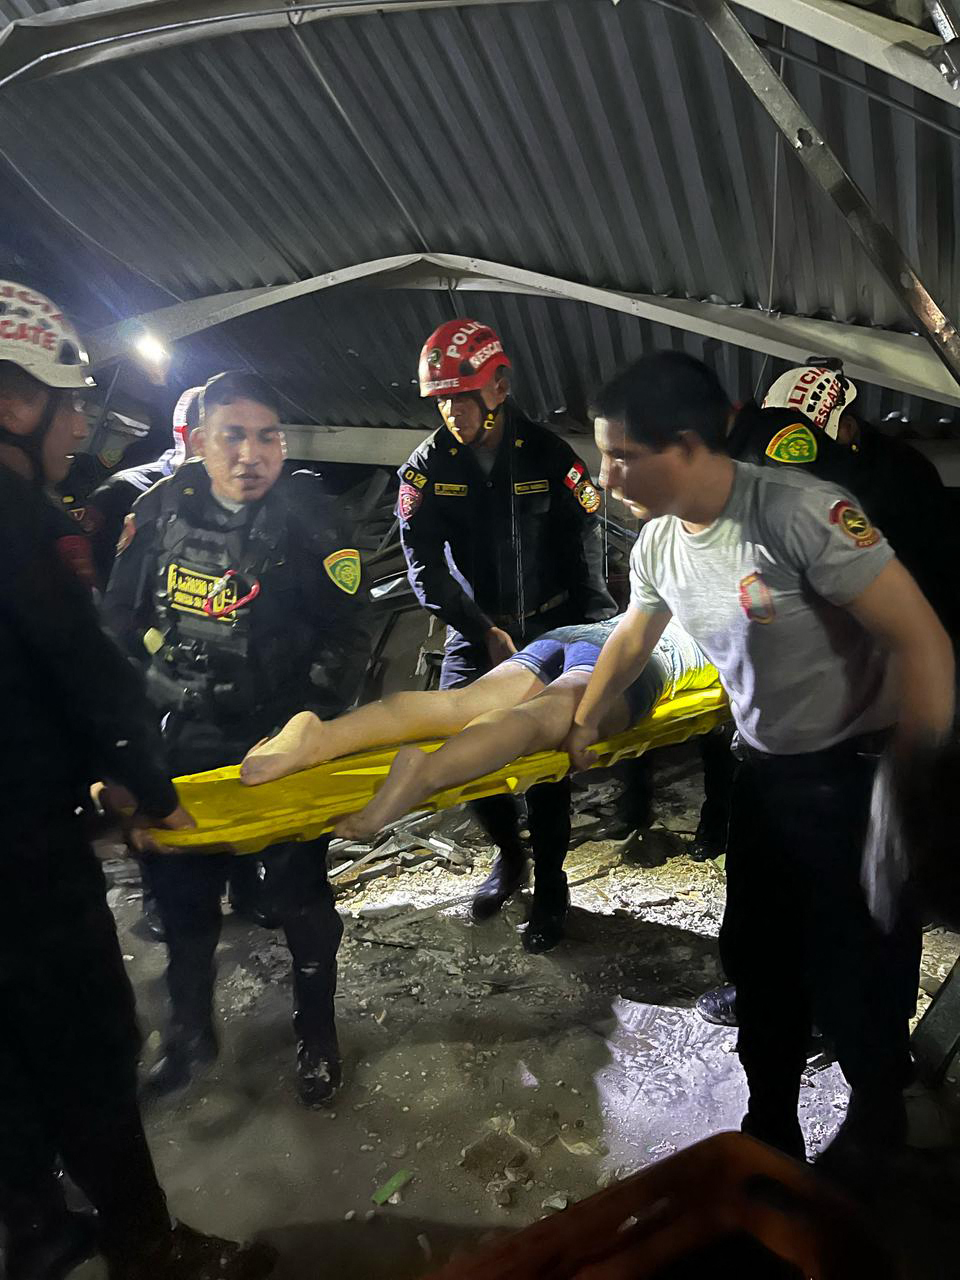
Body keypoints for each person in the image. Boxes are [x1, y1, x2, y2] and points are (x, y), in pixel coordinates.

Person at [566, 351, 953, 1161]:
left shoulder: (801, 513)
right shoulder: (660, 546)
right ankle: (768, 1124)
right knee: (762, 964)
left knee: (857, 973)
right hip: (767, 779)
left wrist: (908, 787)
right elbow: (635, 637)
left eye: (623, 456)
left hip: (858, 777)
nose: (606, 476)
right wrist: (588, 719)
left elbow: (922, 642)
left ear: (687, 446)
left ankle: (878, 1126)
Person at [0, 281, 274, 1280]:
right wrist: (150, 792)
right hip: (22, 856)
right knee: (84, 1043)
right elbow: (88, 666)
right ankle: (148, 1247)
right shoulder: (26, 515)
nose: (82, 424)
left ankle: (33, 1226)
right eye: (71, 403)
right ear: (17, 401)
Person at [103, 370, 370, 1107]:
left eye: (267, 436)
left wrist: (309, 723)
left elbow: (348, 632)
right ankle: (192, 1036)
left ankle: (317, 1037)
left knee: (302, 902)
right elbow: (118, 631)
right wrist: (124, 749)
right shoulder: (156, 511)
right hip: (180, 743)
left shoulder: (312, 516)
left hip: (278, 748)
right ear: (196, 441)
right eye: (233, 436)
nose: (252, 453)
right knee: (184, 904)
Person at [698, 362, 960, 1028]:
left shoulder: (893, 486)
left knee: (874, 891)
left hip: (875, 721)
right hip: (807, 725)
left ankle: (874, 1035)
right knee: (786, 885)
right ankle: (786, 1003)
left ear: (841, 425)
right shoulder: (810, 479)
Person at [398, 318, 617, 952]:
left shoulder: (548, 454)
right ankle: (508, 855)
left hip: (552, 621)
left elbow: (585, 539)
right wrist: (479, 627)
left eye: (460, 397)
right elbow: (424, 565)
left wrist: (593, 629)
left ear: (497, 387)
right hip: (478, 628)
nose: (450, 412)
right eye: (440, 400)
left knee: (547, 765)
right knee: (461, 750)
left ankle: (551, 881)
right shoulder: (426, 470)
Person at [240, 617, 712, 842]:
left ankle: (321, 735)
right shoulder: (723, 628)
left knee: (458, 703)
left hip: (577, 633)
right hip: (643, 661)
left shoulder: (673, 575)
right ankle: (424, 772)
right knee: (543, 718)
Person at [87, 387, 271, 940]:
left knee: (235, 786)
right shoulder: (133, 494)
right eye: (223, 438)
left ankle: (247, 885)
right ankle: (163, 902)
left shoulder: (251, 501)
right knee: (168, 796)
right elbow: (114, 602)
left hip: (232, 690)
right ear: (191, 439)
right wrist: (157, 655)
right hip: (161, 683)